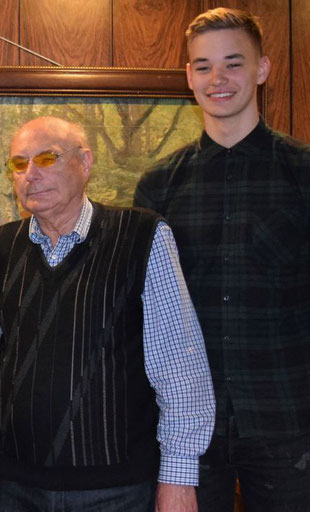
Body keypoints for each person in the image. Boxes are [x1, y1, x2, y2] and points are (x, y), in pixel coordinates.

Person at [0, 116, 215, 512]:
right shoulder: (3, 245)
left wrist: (178, 478)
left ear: (86, 163)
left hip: (116, 489)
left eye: (47, 158)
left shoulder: (142, 235)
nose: (31, 174)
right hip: (15, 485)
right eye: (19, 164)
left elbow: (179, 365)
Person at [135, 8, 310, 511]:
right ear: (189, 77)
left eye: (233, 63)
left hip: (290, 422)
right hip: (190, 428)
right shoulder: (159, 185)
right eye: (203, 66)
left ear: (262, 69)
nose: (218, 79)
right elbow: (149, 316)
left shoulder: (302, 174)